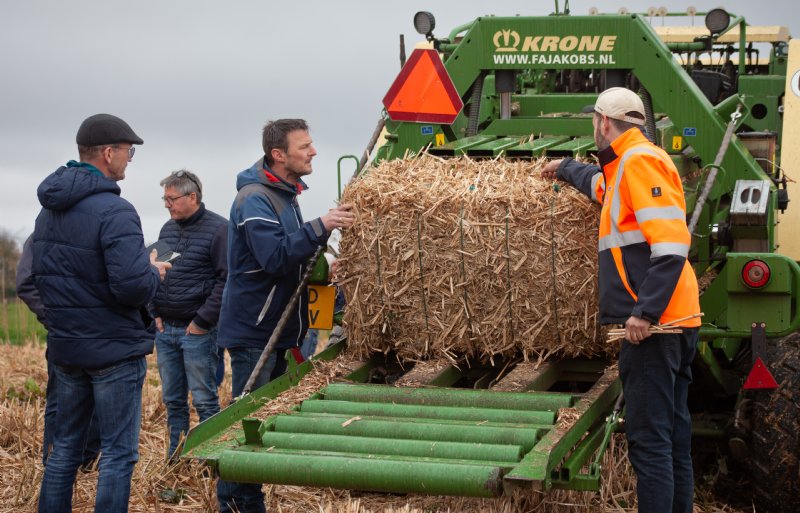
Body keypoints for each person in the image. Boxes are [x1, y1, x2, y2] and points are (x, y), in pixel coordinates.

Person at [542, 87, 701, 513]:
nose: (593, 128)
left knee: (650, 444)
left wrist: (643, 313)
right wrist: (566, 168)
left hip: (656, 327)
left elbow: (670, 246)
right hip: (675, 320)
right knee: (672, 439)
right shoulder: (627, 163)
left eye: (593, 121)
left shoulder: (640, 162)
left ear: (605, 124)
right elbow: (601, 187)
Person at [33, 114, 171, 513]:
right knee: (117, 454)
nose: (129, 160)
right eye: (129, 152)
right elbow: (130, 288)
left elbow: (41, 276)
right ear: (109, 153)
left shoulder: (49, 211)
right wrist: (152, 273)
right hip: (112, 351)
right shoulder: (116, 211)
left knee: (63, 452)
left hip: (67, 349)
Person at [215, 118, 355, 513]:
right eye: (304, 146)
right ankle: (235, 503)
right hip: (255, 331)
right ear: (279, 155)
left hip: (279, 332)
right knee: (245, 421)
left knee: (262, 420)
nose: (313, 152)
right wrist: (321, 224)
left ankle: (248, 497)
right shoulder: (254, 199)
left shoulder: (285, 196)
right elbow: (274, 257)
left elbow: (294, 258)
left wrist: (327, 259)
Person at [151, 169, 228, 461]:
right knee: (173, 401)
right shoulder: (167, 230)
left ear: (192, 196)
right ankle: (176, 457)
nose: (167, 205)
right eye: (165, 199)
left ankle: (210, 459)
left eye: (171, 199)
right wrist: (154, 311)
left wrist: (202, 322)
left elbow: (226, 279)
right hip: (166, 330)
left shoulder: (219, 229)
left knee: (205, 399)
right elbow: (156, 272)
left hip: (197, 331)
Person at [16, 235, 101, 468]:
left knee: (98, 398)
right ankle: (53, 459)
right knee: (59, 400)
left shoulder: (96, 231)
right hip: (64, 335)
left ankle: (88, 459)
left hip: (99, 334)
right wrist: (55, 318)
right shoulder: (40, 237)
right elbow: (25, 282)